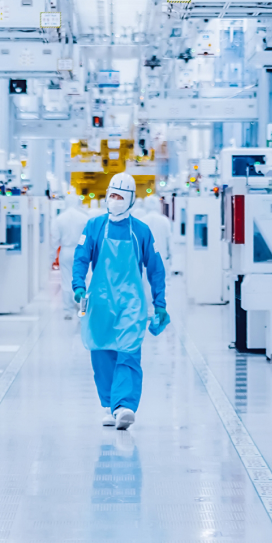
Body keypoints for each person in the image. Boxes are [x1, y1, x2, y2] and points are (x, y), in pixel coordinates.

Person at [72, 173, 168, 430]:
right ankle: (108, 404)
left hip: (131, 304)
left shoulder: (141, 231)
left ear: (131, 200)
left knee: (128, 352)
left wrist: (160, 303)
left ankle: (124, 406)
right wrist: (78, 287)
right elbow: (81, 258)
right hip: (100, 304)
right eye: (112, 195)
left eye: (120, 197)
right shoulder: (94, 226)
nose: (115, 201)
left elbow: (156, 268)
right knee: (101, 353)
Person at [52, 196, 91, 319]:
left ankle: (68, 311)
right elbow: (90, 238)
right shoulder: (84, 218)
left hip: (66, 251)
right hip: (81, 251)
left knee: (66, 280)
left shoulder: (59, 218)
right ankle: (81, 307)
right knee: (83, 279)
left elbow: (54, 240)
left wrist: (52, 256)